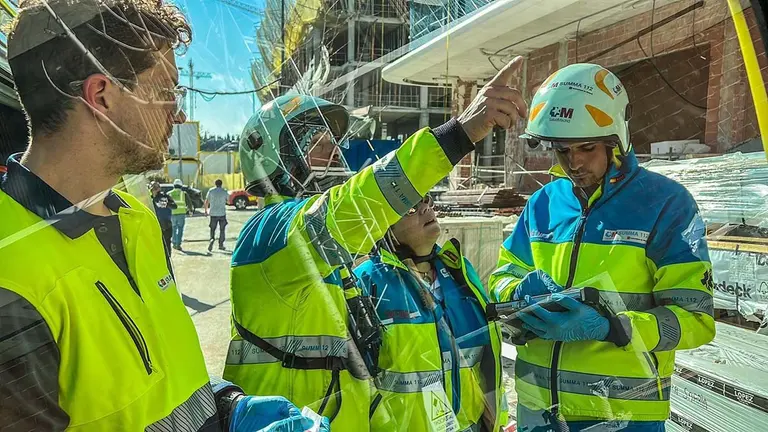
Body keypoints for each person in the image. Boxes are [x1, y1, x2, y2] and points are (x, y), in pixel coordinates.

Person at [0, 1, 326, 430]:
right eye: (167, 90)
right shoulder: (12, 277)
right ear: (101, 96)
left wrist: (224, 407)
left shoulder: (136, 219)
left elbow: (162, 379)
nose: (179, 112)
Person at [223, 57, 527, 430]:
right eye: (319, 143)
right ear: (280, 159)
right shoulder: (268, 236)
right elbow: (358, 202)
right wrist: (459, 133)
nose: (335, 153)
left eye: (334, 142)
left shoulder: (328, 258)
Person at [488, 63, 716, 431]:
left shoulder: (665, 205)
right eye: (561, 150)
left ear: (616, 140)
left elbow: (696, 321)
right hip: (539, 409)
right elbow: (501, 277)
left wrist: (612, 328)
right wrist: (518, 289)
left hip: (624, 417)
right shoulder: (542, 204)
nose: (574, 162)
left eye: (587, 148)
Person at [353, 193, 509, 431]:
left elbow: (488, 354)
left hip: (471, 424)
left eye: (426, 200)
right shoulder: (368, 282)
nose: (426, 208)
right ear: (385, 226)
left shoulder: (459, 270)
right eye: (411, 209)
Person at [150, 180, 177, 255]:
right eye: (153, 189)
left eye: (156, 188)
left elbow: (174, 206)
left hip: (166, 224)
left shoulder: (165, 196)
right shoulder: (150, 199)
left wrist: (166, 204)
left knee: (167, 245)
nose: (155, 190)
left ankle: (168, 260)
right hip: (155, 225)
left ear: (159, 188)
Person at [205, 178, 228, 252]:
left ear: (215, 184)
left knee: (212, 228)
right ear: (221, 184)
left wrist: (206, 211)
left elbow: (207, 201)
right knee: (222, 229)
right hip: (222, 213)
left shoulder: (211, 191)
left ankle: (212, 239)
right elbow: (228, 200)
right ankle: (221, 244)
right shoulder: (224, 191)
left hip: (213, 213)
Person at [169, 178, 189, 250]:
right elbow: (189, 203)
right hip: (181, 213)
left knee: (173, 228)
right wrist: (190, 210)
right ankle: (178, 244)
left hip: (172, 213)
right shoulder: (184, 193)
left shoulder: (169, 193)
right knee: (180, 229)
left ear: (174, 185)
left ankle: (174, 243)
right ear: (181, 186)